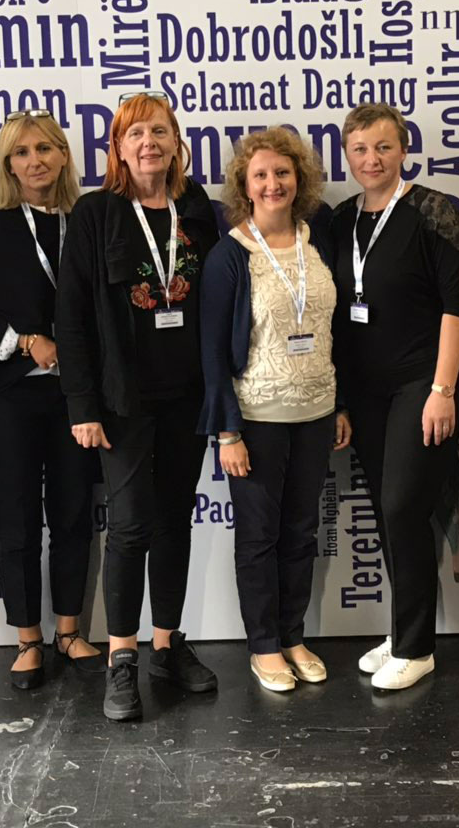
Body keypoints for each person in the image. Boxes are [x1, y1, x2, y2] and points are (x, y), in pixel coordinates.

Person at [57, 93, 221, 720]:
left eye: (159, 131)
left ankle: (167, 645)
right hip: (122, 402)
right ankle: (121, 656)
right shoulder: (96, 213)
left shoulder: (197, 210)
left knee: (175, 519)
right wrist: (82, 405)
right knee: (129, 526)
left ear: (176, 142)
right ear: (118, 150)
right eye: (135, 134)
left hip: (189, 396)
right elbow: (71, 316)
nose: (148, 143)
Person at [0, 110, 100, 690]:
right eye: (21, 152)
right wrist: (26, 340)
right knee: (16, 517)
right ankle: (28, 638)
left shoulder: (86, 221)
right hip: (8, 397)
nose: (34, 160)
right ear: (8, 165)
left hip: (74, 397)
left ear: (63, 155)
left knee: (73, 513)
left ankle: (69, 631)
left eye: (44, 149)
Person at [199, 127, 352, 692]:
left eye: (282, 173)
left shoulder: (319, 239)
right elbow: (212, 351)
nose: (272, 184)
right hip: (256, 419)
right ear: (245, 185)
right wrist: (227, 432)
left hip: (316, 413)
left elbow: (335, 329)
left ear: (299, 179)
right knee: (259, 538)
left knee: (301, 533)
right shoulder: (230, 255)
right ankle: (263, 645)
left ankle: (292, 636)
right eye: (260, 175)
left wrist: (339, 404)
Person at [330, 102, 459, 691]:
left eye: (384, 147)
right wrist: (340, 400)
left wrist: (443, 389)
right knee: (389, 515)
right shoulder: (341, 220)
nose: (372, 159)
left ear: (404, 149)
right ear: (347, 154)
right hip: (366, 391)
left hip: (422, 383)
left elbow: (458, 305)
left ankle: (417, 649)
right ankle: (402, 631)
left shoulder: (433, 211)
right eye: (360, 149)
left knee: (401, 506)